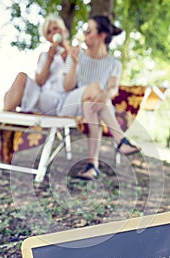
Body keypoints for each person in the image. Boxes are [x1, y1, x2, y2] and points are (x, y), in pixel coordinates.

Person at [57, 15, 141, 180]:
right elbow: (67, 87)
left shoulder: (114, 64)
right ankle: (121, 140)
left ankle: (92, 166)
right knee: (96, 89)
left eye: (89, 31)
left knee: (92, 102)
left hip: (91, 105)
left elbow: (112, 89)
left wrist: (103, 95)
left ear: (102, 36)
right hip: (69, 104)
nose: (85, 35)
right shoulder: (76, 54)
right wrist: (73, 62)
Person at [0, 14, 69, 163]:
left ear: (63, 30)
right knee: (20, 77)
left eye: (55, 29)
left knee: (9, 97)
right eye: (49, 32)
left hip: (57, 100)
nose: (53, 33)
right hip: (41, 94)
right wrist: (49, 60)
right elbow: (39, 82)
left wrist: (66, 51)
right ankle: (3, 127)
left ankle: (0, 135)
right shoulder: (45, 55)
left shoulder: (74, 53)